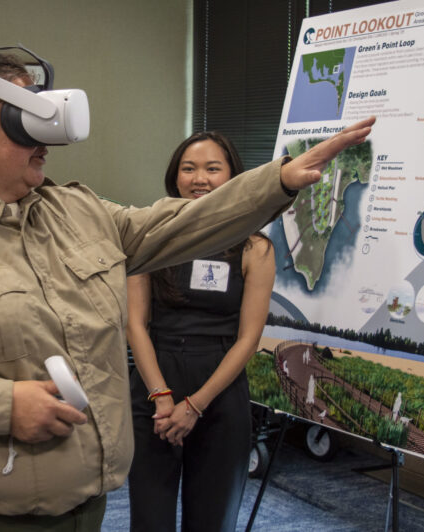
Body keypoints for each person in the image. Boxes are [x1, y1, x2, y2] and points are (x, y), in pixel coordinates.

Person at [0, 30, 374, 531]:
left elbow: (182, 223)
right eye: (21, 119)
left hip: (78, 507)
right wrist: (1, 407)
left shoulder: (74, 211)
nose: (44, 138)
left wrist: (277, 180)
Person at [126, 132, 274, 531]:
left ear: (233, 177)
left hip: (220, 392)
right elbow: (135, 324)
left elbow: (249, 339)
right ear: (175, 176)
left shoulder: (254, 247)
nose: (199, 179)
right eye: (188, 169)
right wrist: (161, 397)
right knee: (149, 519)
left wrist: (195, 405)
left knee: (212, 521)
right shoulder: (149, 238)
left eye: (213, 169)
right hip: (155, 385)